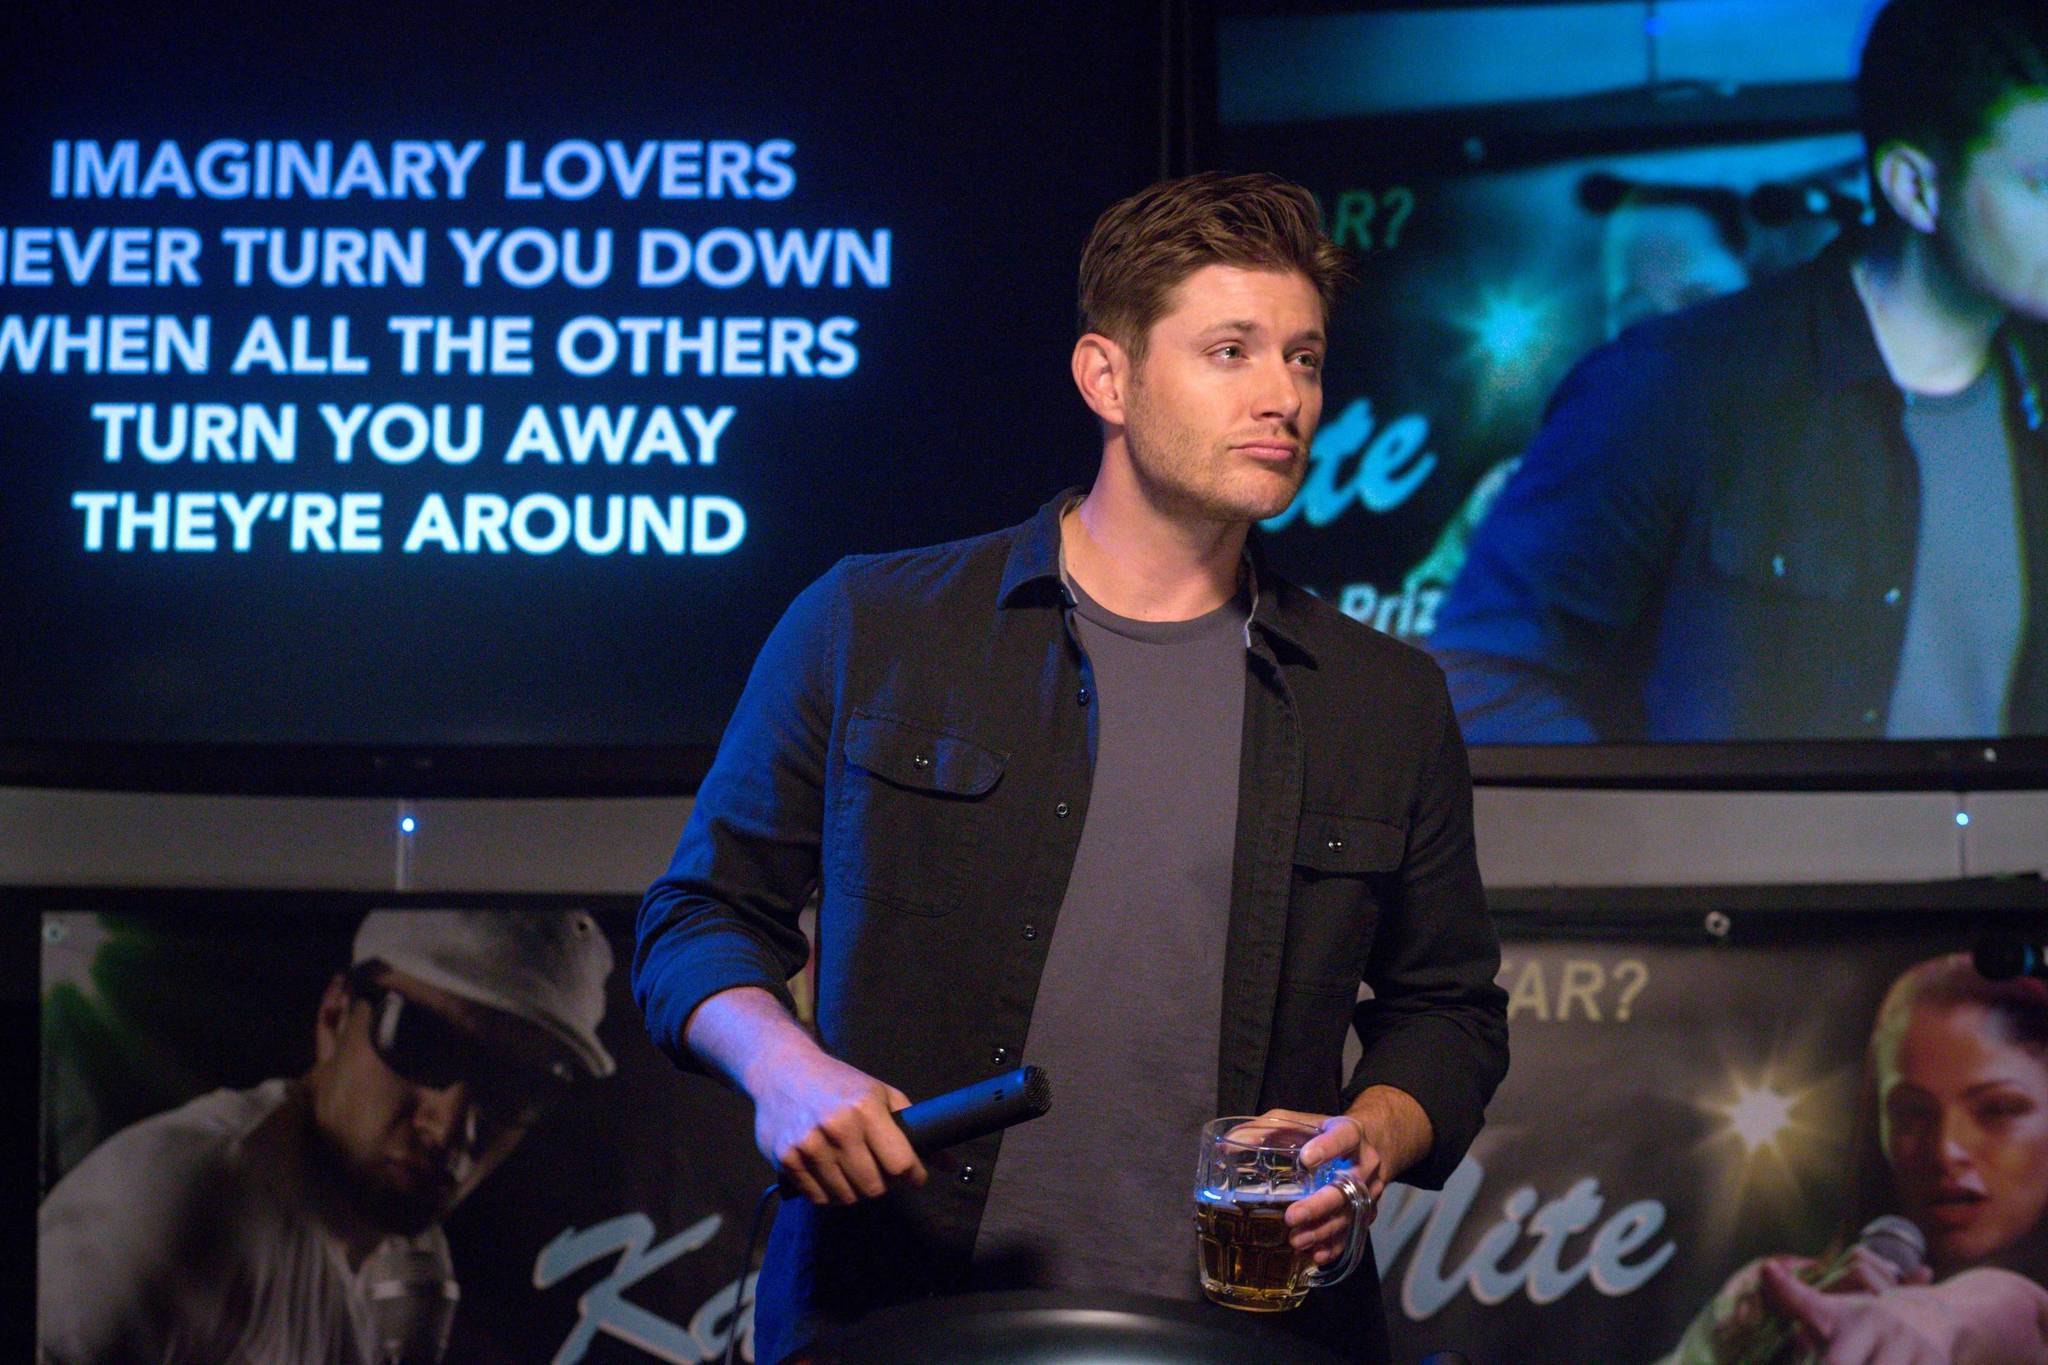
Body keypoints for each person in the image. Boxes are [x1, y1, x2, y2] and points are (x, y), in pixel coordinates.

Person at [635, 171, 1510, 1363]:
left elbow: (1447, 1012)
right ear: (1106, 377)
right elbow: (696, 918)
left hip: (1243, 1332)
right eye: (1230, 351)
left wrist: (1375, 1136)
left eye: (1302, 359)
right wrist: (781, 1068)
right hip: (903, 1314)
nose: (1283, 396)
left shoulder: (1381, 698)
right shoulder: (874, 624)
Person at [1431, 0, 2048, 743]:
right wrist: (1660, 814)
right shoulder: (1671, 386)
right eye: (2042, 183)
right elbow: (1481, 681)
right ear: (1915, 187)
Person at [38, 909, 617, 1364]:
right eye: (423, 1044)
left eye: (518, 1086)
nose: (449, 1126)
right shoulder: (170, 1208)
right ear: (336, 1015)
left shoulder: (408, 1251)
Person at [1663, 955, 2048, 1364]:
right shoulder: (1768, 1302)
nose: (1945, 1149)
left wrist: (1936, 1319)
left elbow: (2008, 1310)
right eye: (1911, 1114)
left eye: (1998, 1110)